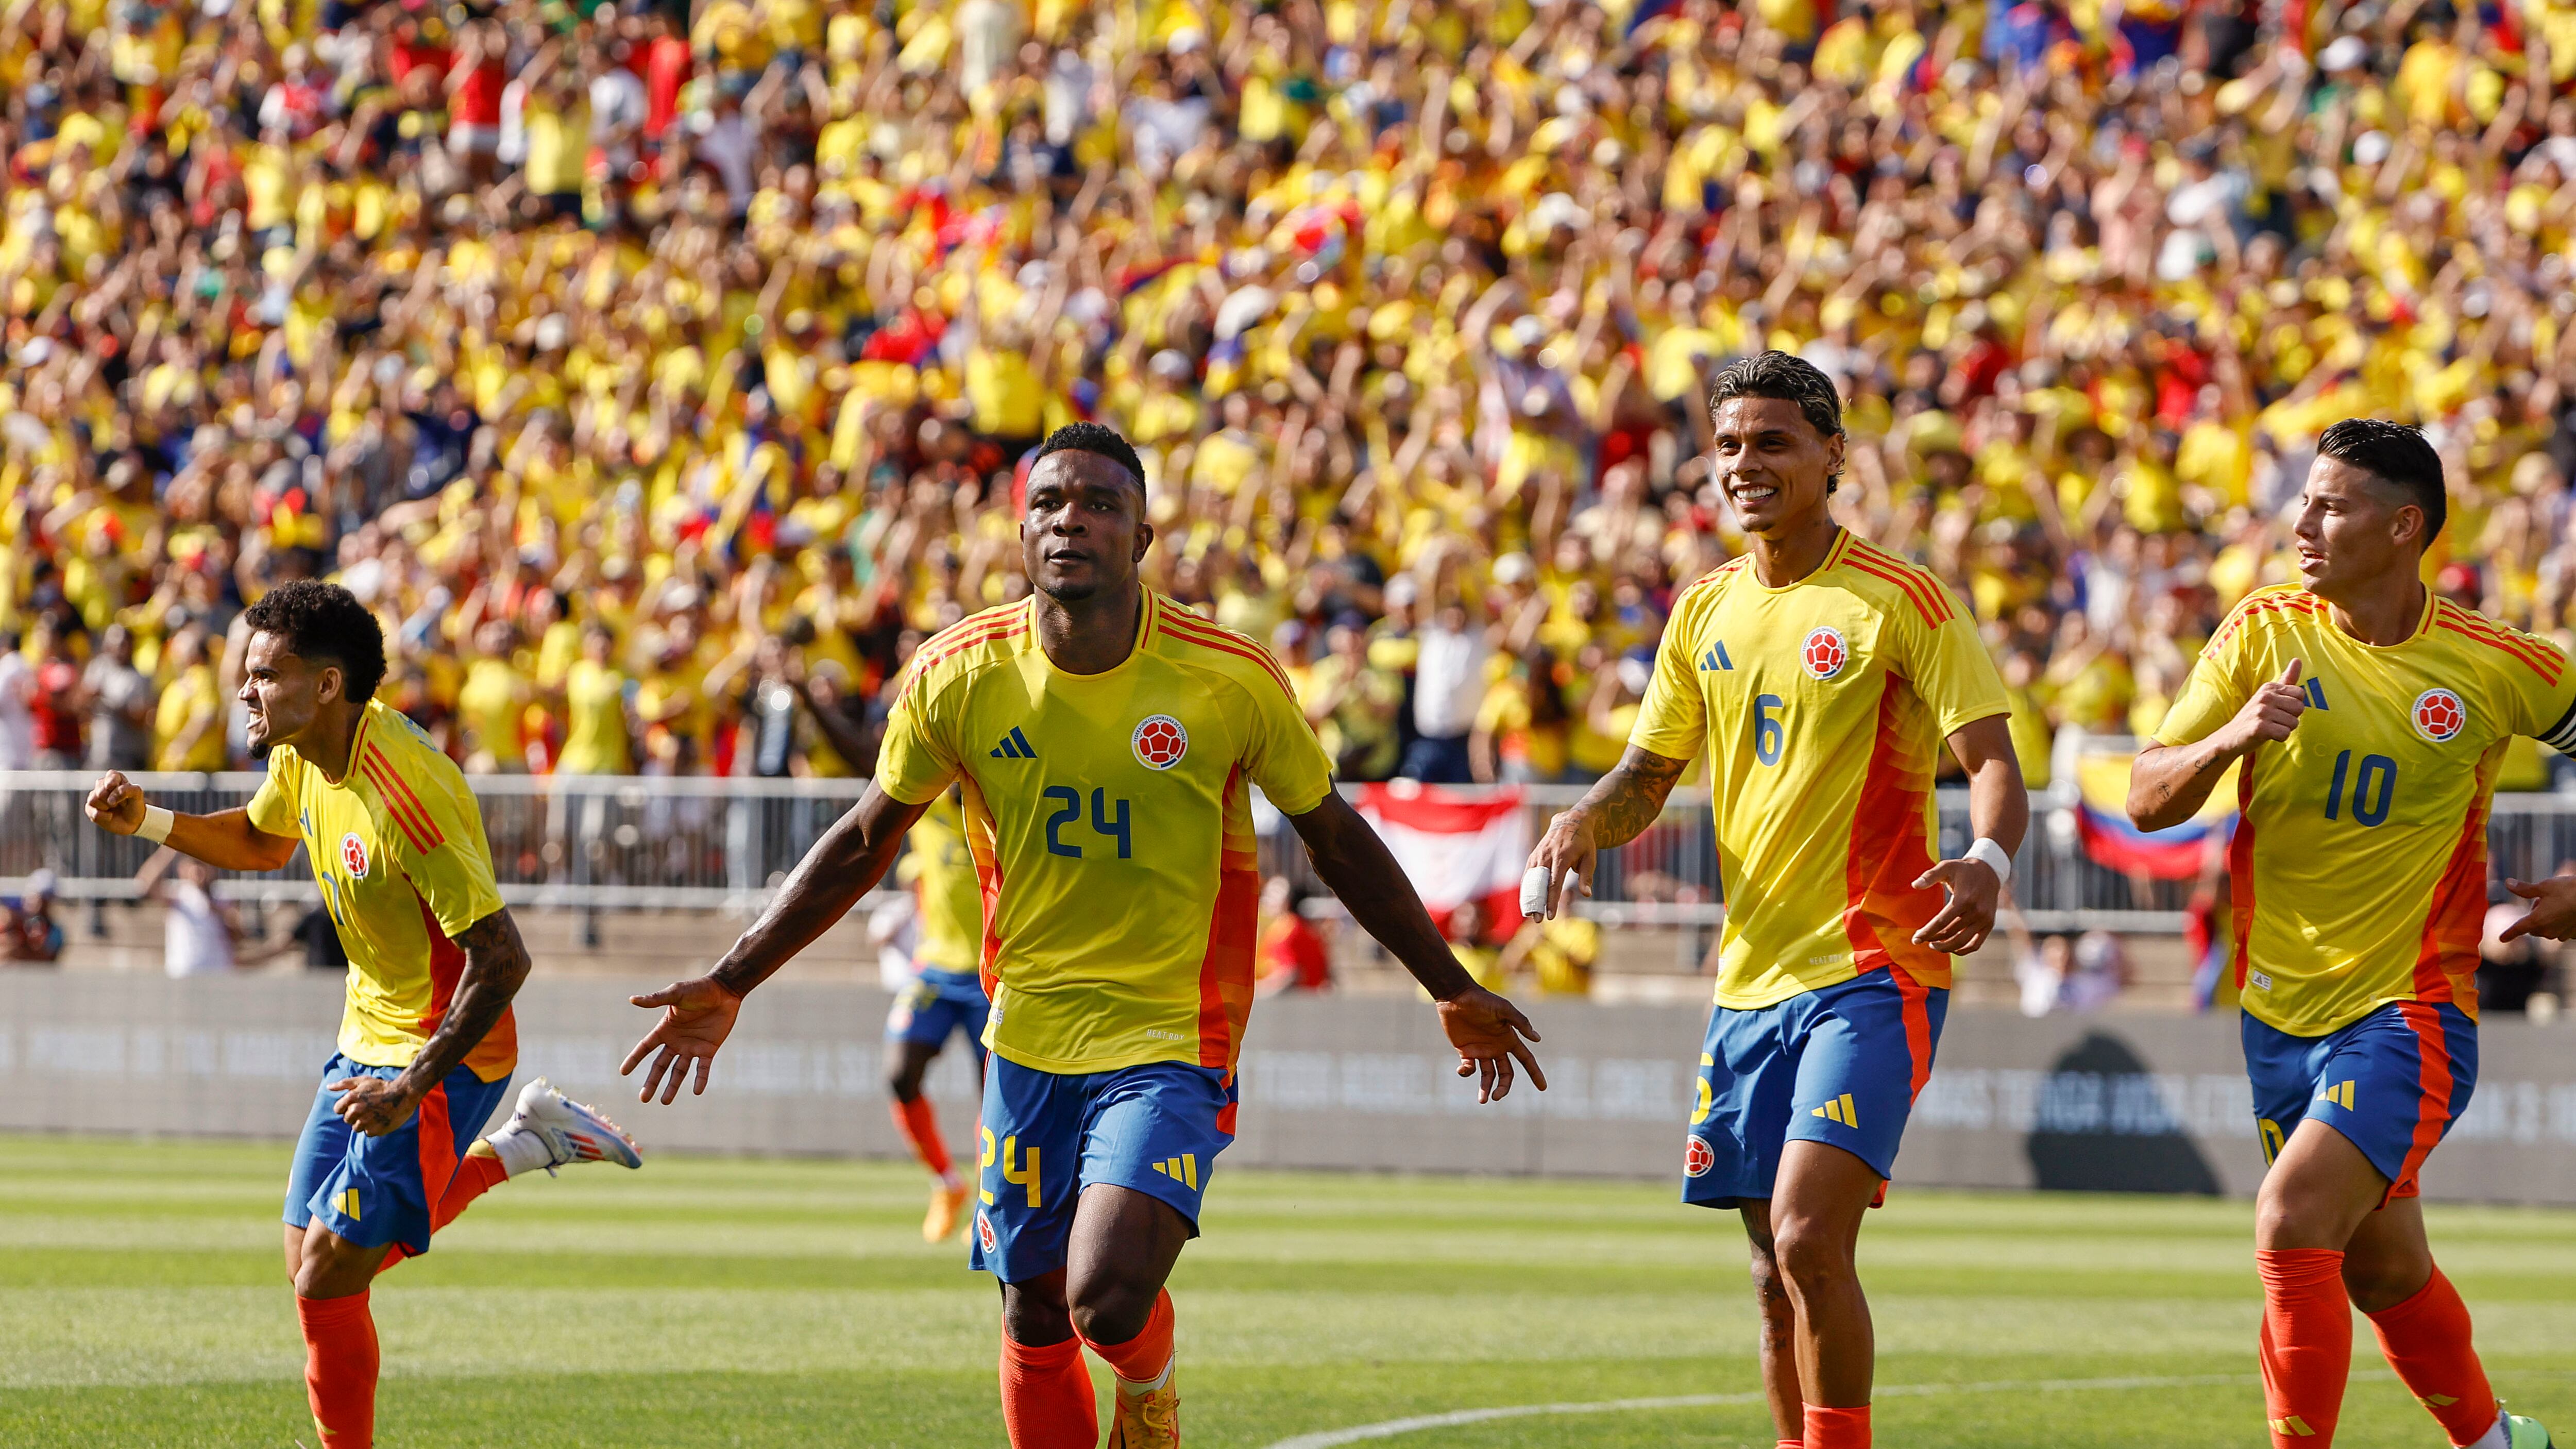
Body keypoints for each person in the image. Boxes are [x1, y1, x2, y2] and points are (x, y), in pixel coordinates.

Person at [622, 422, 1546, 1449]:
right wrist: (733, 977)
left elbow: (1336, 838)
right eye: (1052, 502)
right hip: (1024, 1033)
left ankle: (1150, 1389)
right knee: (1030, 1306)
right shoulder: (955, 675)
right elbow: (861, 841)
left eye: (1101, 504)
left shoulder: (1226, 679)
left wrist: (1448, 985)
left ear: (1143, 537)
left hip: (1169, 1035)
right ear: (1021, 531)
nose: (1073, 521)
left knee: (1103, 1296)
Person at [1525, 353, 2027, 1449]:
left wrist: (1986, 856)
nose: (1745, 464)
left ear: (1831, 455)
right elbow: (1647, 775)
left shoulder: (1898, 599)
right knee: (1767, 1273)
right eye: (1729, 444)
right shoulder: (1702, 608)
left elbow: (1990, 759)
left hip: (1871, 966)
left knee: (1807, 1238)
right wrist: (1577, 822)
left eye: (1773, 441)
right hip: (1748, 980)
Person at [79, 581, 644, 1449]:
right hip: (363, 1038)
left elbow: (504, 959)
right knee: (308, 1257)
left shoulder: (405, 793)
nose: (246, 691)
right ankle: (529, 1144)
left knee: (327, 1281)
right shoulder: (304, 752)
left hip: (445, 1048)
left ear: (328, 686)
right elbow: (267, 843)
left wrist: (411, 1089)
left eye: (266, 674)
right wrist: (149, 821)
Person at [2130, 419, 2561, 1449]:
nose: (2300, 522)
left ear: (2404, 525)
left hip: (2409, 1009)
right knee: (2380, 1268)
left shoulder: (2493, 664)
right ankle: (2502, 1441)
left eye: (2330, 504)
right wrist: (2231, 736)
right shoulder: (2261, 630)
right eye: (2302, 499)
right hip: (2277, 1013)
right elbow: (2146, 794)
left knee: (2287, 1224)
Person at [799, 658, 993, 1242]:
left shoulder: (1004, 807)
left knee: (1001, 1102)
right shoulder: (929, 807)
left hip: (997, 975)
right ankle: (945, 1181)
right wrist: (809, 703)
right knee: (899, 1073)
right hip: (936, 966)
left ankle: (991, 1202)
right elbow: (865, 757)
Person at [139, 845, 240, 977]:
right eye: (194, 865)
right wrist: (168, 851)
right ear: (183, 869)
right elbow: (145, 886)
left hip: (216, 973)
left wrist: (220, 913)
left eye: (202, 865)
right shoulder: (179, 895)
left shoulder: (221, 898)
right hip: (185, 972)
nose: (198, 871)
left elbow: (239, 934)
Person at [0, 868, 64, 964]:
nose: (39, 903)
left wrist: (23, 947)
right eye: (37, 896)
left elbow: (46, 959)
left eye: (45, 899)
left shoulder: (54, 931)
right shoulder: (12, 916)